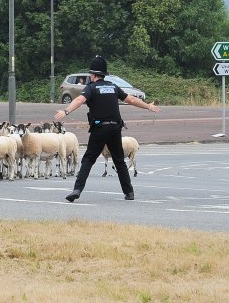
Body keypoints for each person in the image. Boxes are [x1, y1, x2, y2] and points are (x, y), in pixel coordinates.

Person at [54, 55, 160, 202]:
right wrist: (148, 106)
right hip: (115, 128)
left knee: (88, 159)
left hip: (99, 129)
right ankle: (129, 192)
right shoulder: (112, 86)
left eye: (91, 74)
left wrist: (65, 111)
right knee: (119, 160)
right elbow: (131, 99)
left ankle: (77, 190)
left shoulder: (91, 88)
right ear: (104, 74)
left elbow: (79, 100)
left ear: (93, 75)